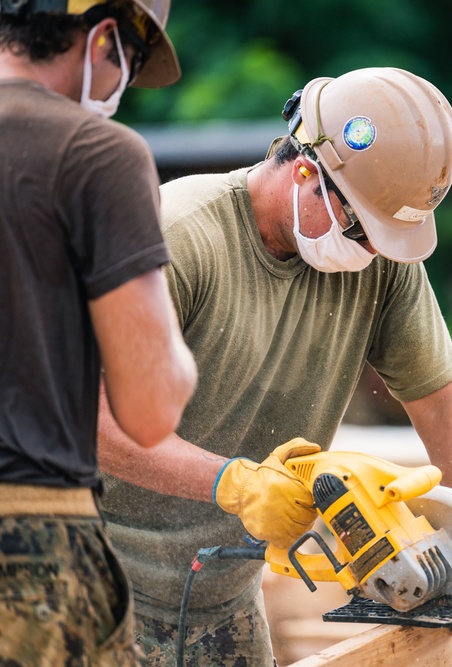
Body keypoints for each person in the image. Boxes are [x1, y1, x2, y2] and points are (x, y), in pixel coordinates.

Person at [96, 67, 452, 666]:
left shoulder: (377, 252)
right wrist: (235, 483)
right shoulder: (177, 235)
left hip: (219, 603)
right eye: (362, 229)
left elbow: (442, 398)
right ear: (306, 173)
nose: (375, 250)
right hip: (89, 586)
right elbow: (83, 414)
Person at [0, 0, 196, 664]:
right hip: (30, 549)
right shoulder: (97, 154)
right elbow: (148, 409)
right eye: (131, 64)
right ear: (106, 36)